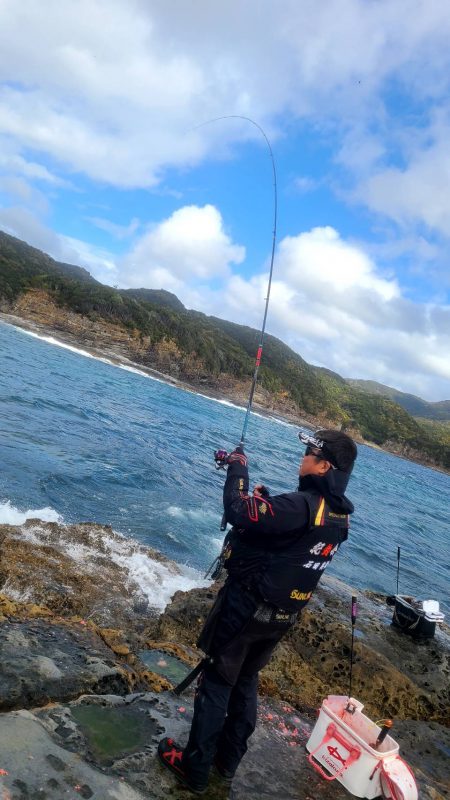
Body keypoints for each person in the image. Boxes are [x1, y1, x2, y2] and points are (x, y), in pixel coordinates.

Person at [158, 429, 357, 794]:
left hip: (247, 608)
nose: (303, 459)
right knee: (246, 682)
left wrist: (238, 469)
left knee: (217, 683)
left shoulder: (300, 505)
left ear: (324, 465)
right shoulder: (338, 517)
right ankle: (227, 764)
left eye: (309, 453)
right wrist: (265, 504)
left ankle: (195, 769)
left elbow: (237, 509)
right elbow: (289, 544)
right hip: (281, 616)